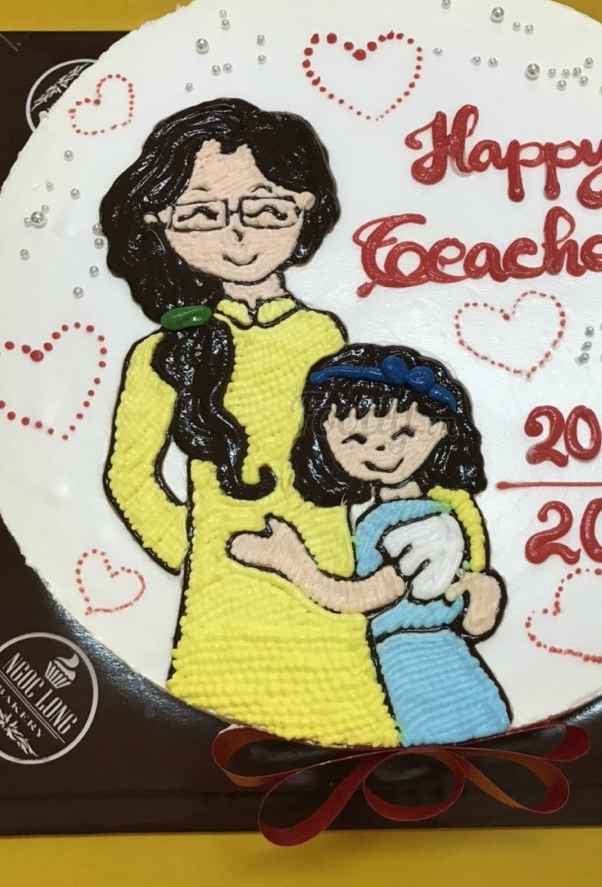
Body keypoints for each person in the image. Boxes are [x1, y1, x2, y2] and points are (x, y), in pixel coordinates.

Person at [100, 99, 496, 746]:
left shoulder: (323, 335)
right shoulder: (161, 353)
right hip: (225, 596)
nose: (237, 236)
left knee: (349, 718)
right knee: (221, 725)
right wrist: (201, 552)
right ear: (158, 221)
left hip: (333, 572)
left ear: (306, 208)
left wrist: (459, 543)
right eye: (202, 214)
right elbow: (130, 477)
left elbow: (391, 446)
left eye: (265, 210)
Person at [230, 344, 511, 745]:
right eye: (356, 438)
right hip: (411, 651)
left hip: (419, 658)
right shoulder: (394, 514)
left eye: (404, 433)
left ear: (440, 428)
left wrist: (292, 563)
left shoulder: (418, 524)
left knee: (446, 738)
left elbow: (364, 596)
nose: (382, 449)